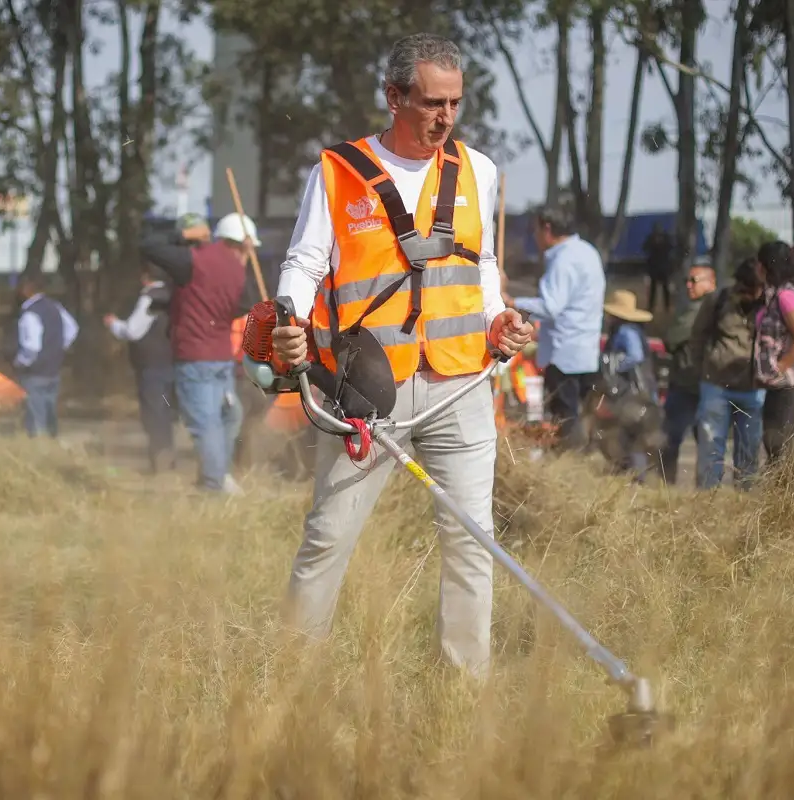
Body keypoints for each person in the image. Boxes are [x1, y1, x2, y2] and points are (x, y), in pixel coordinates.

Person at [271, 32, 533, 678]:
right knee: (329, 538)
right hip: (366, 389)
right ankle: (292, 684)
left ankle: (464, 691)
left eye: (455, 103)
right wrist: (288, 320)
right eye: (432, 102)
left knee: (472, 542)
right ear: (394, 97)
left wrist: (498, 317)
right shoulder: (337, 173)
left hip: (460, 385)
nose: (446, 117)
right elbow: (304, 263)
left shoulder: (479, 170)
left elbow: (481, 265)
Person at [142, 212, 253, 493]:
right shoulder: (236, 268)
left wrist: (182, 235)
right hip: (221, 357)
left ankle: (214, 484)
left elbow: (149, 246)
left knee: (206, 423)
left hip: (194, 357)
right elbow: (246, 303)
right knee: (227, 417)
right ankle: (217, 476)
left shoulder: (193, 260)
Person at [508, 205, 606, 450]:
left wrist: (513, 303)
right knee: (583, 418)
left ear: (547, 229)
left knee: (564, 420)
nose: (535, 237)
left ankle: (567, 462)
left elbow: (551, 306)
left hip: (564, 354)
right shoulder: (587, 252)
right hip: (586, 350)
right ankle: (583, 457)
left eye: (536, 231)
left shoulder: (564, 259)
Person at [690, 258, 766, 490]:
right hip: (716, 386)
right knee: (710, 447)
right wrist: (702, 370)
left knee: (749, 449)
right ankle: (706, 500)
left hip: (753, 389)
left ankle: (744, 500)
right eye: (745, 288)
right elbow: (698, 336)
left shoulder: (769, 305)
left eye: (754, 289)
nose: (749, 294)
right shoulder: (718, 300)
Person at [104, 265, 176, 472]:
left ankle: (160, 459)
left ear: (145, 276)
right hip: (171, 361)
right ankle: (168, 457)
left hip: (151, 364)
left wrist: (113, 324)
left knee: (153, 412)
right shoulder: (173, 295)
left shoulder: (149, 297)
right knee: (165, 411)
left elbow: (133, 331)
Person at [753, 240, 794, 467]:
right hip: (776, 385)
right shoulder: (773, 295)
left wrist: (782, 366)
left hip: (789, 385)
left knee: (782, 447)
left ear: (765, 266)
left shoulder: (786, 296)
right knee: (773, 445)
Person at [659, 259, 716, 484]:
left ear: (710, 282)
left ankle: (664, 486)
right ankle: (706, 491)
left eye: (694, 280)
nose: (688, 285)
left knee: (669, 440)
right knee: (707, 445)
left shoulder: (697, 309)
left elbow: (671, 339)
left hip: (688, 384)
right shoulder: (718, 307)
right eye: (686, 280)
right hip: (706, 384)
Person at [597, 290, 659, 483]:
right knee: (631, 439)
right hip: (640, 395)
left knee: (631, 439)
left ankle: (636, 480)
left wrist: (614, 365)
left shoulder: (625, 332)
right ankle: (634, 479)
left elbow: (635, 356)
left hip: (633, 397)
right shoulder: (634, 331)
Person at [12, 274, 78, 438]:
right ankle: (52, 444)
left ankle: (40, 448)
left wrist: (20, 362)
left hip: (34, 372)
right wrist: (57, 348)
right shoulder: (55, 307)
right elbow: (72, 329)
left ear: (26, 289)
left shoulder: (30, 314)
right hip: (53, 369)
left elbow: (32, 347)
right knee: (50, 414)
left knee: (36, 418)